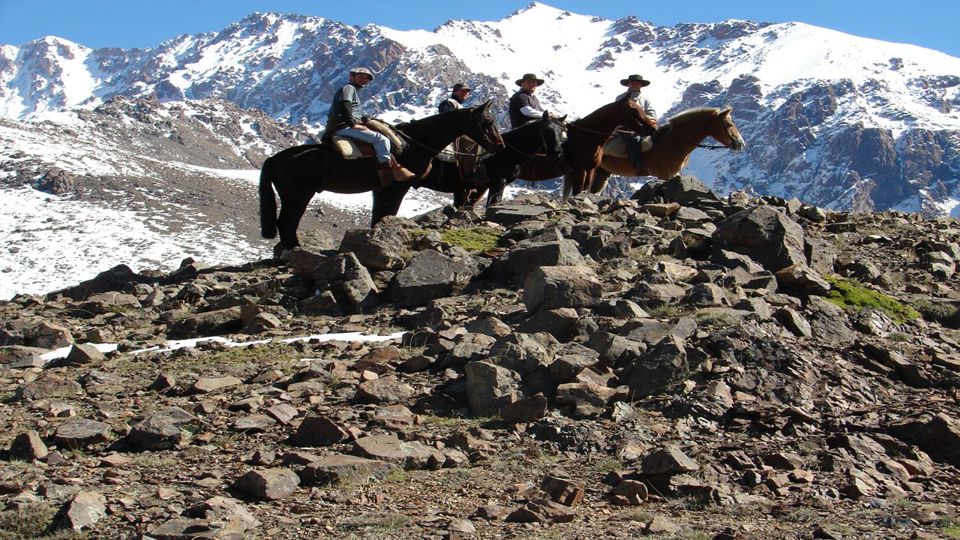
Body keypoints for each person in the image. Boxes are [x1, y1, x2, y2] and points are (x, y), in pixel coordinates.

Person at [325, 67, 414, 183]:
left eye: (366, 79)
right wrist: (352, 124)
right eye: (360, 76)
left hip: (342, 124)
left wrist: (363, 118)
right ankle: (387, 172)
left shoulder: (352, 91)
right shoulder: (349, 88)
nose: (364, 80)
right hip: (342, 126)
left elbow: (352, 109)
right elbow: (345, 104)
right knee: (381, 140)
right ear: (351, 77)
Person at [616, 74, 658, 174]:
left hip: (643, 126)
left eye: (637, 83)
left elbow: (651, 113)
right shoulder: (620, 98)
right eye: (632, 83)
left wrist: (651, 119)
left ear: (640, 85)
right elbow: (617, 114)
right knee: (633, 139)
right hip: (626, 128)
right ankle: (638, 165)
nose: (634, 85)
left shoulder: (645, 100)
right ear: (628, 84)